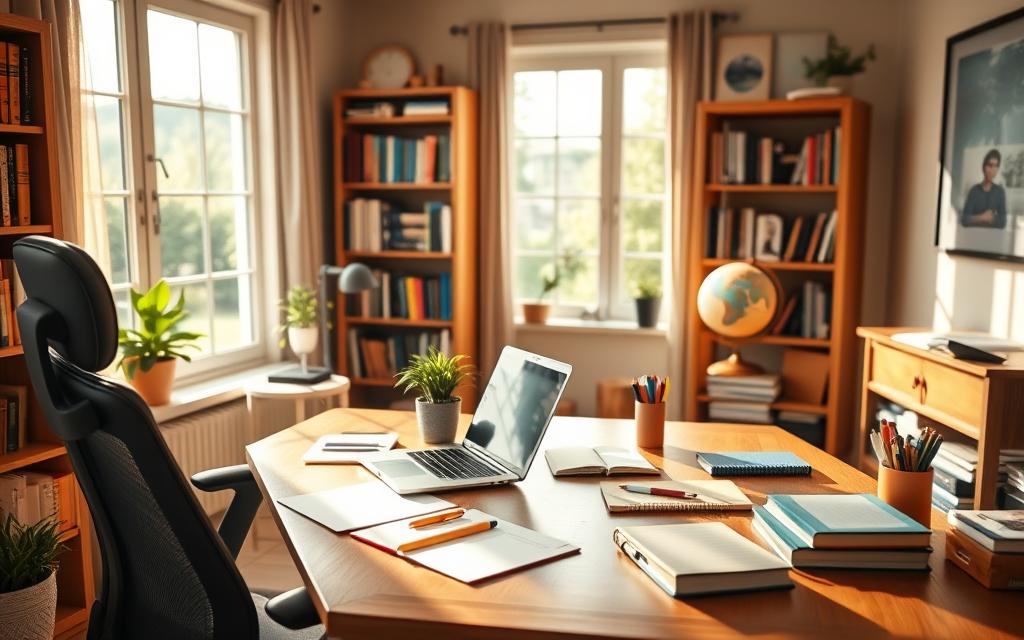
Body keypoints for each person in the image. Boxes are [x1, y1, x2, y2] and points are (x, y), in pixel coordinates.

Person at [961, 148, 1007, 228]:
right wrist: (981, 217)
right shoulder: (974, 191)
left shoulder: (999, 192)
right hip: (973, 237)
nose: (992, 170)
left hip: (993, 238)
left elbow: (1003, 221)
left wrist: (992, 219)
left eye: (996, 166)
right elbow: (964, 219)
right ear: (984, 167)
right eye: (990, 165)